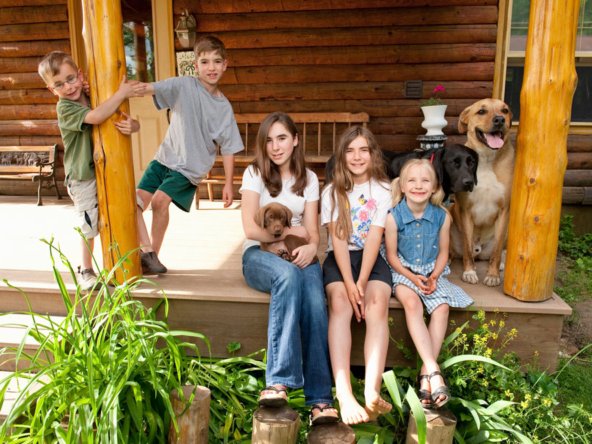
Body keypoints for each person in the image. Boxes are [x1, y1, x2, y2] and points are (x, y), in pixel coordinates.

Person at [240, 112, 339, 425]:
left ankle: (320, 399)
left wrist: (311, 246)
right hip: (258, 254)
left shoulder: (308, 179)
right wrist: (284, 237)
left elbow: (312, 232)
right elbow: (250, 229)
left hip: (299, 252)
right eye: (269, 140)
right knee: (287, 275)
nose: (275, 146)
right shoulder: (254, 173)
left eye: (282, 138)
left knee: (315, 299)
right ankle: (279, 381)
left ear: (295, 140)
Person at [135, 35, 243, 275]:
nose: (211, 67)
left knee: (160, 202)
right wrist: (122, 91)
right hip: (165, 157)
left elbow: (228, 147)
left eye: (217, 61)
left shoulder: (224, 108)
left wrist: (228, 183)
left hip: (190, 167)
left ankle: (152, 256)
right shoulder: (184, 85)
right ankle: (145, 253)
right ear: (196, 65)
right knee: (135, 203)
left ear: (225, 65)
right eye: (205, 62)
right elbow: (149, 88)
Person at [38, 51, 142, 290]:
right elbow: (96, 117)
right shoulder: (65, 108)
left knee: (128, 204)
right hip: (82, 177)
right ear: (52, 90)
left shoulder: (91, 94)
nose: (68, 87)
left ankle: (144, 253)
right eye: (59, 84)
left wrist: (133, 126)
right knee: (89, 223)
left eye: (71, 79)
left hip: (104, 168)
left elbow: (122, 118)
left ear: (80, 75)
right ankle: (85, 269)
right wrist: (121, 93)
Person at [382, 159, 473, 409]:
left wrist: (434, 276)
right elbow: (392, 256)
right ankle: (434, 369)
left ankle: (425, 375)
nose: (419, 186)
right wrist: (412, 277)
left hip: (432, 271)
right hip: (403, 271)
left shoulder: (442, 216)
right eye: (412, 180)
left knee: (441, 307)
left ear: (434, 187)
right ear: (402, 186)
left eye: (425, 181)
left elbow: (444, 252)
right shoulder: (393, 217)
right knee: (412, 303)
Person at [321, 126, 393, 425]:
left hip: (371, 259)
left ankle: (371, 390)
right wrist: (350, 285)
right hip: (339, 258)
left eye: (363, 150)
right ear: (342, 156)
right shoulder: (332, 191)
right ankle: (344, 391)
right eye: (350, 151)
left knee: (377, 303)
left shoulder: (384, 190)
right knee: (340, 303)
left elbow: (375, 236)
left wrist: (361, 282)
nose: (357, 156)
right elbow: (337, 237)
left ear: (373, 154)